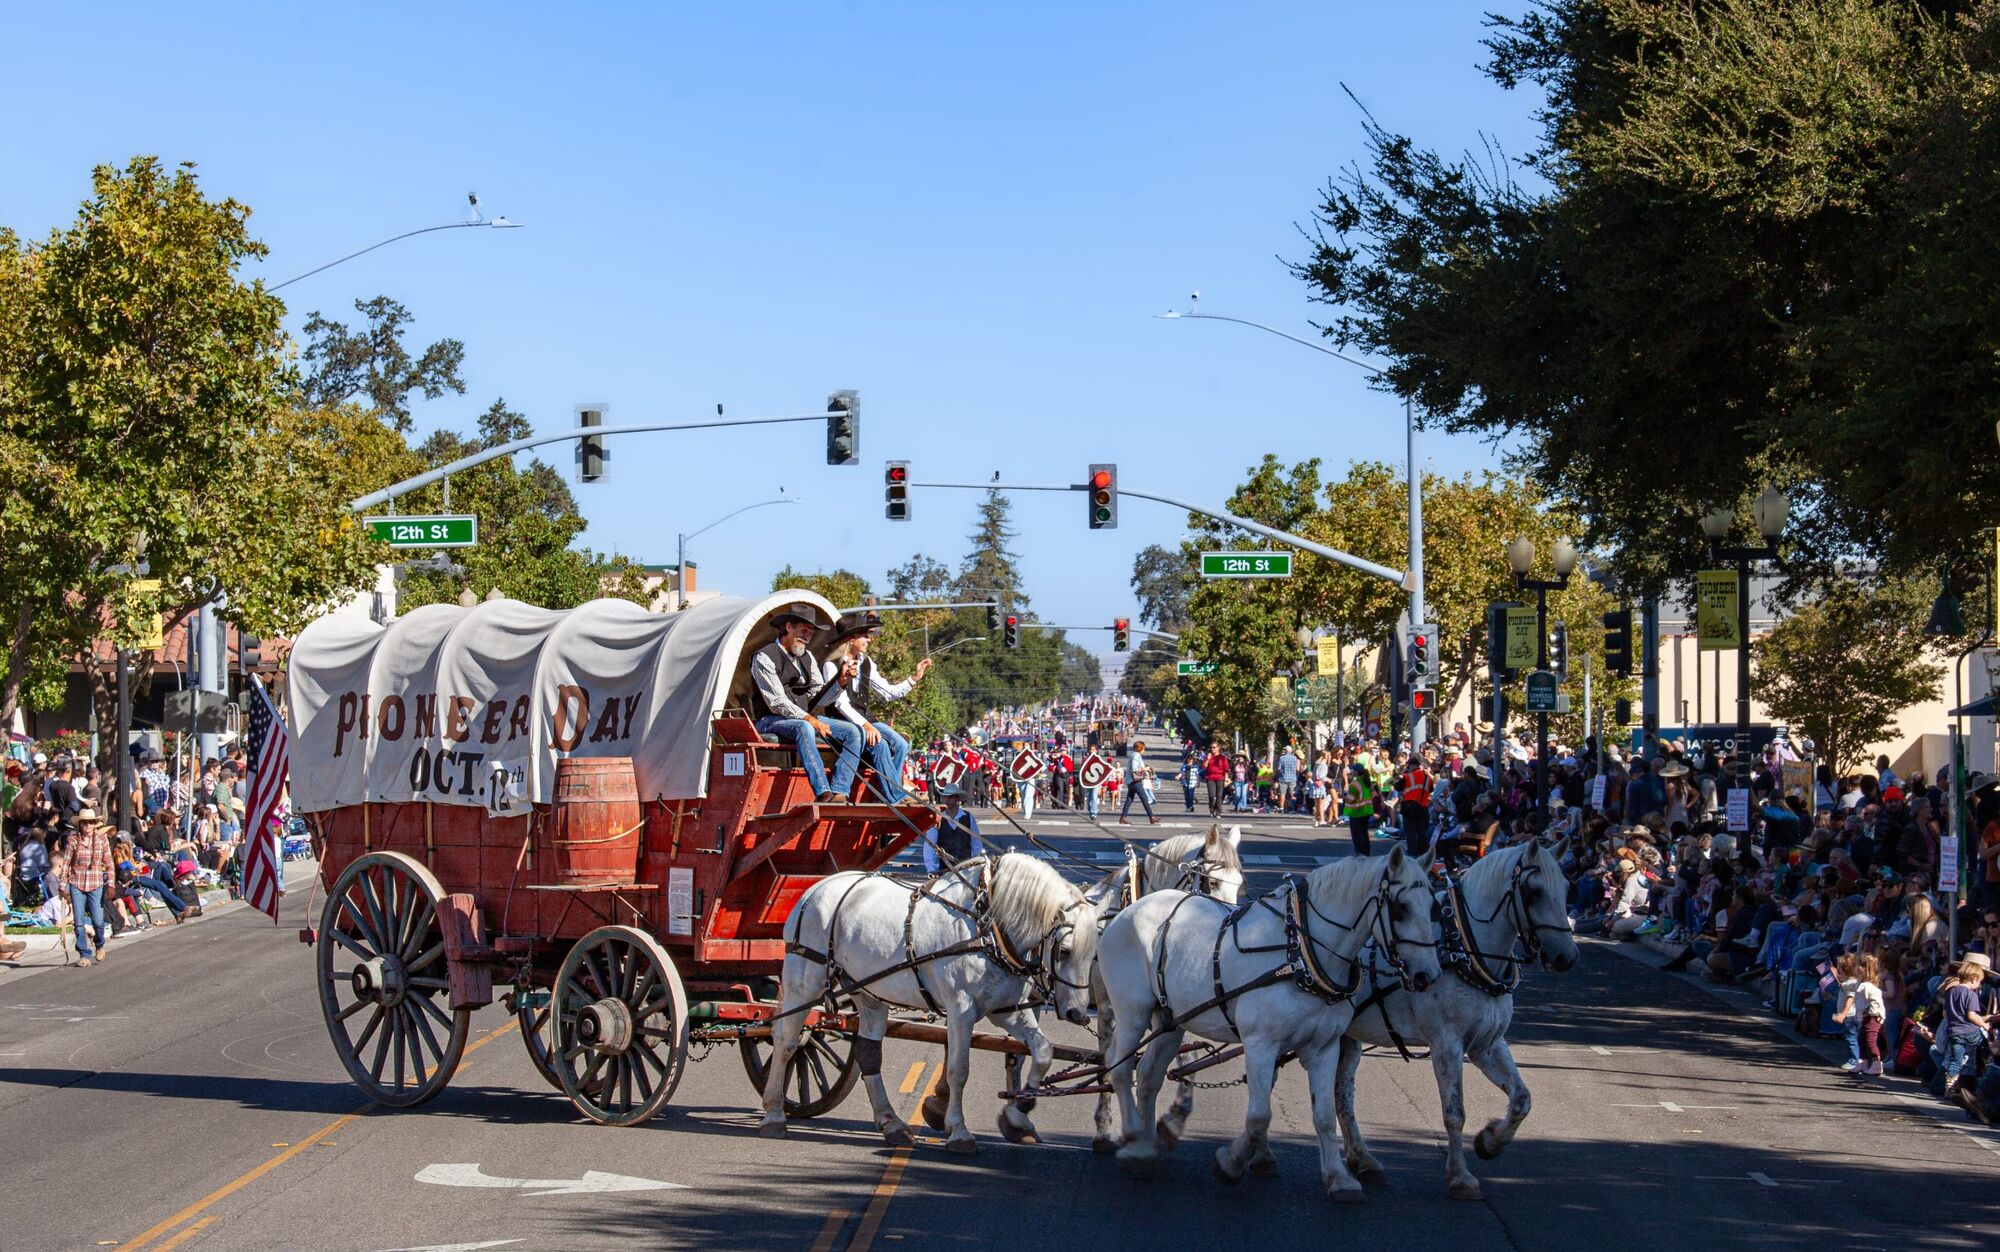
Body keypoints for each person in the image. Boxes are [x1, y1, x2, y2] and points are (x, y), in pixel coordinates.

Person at [749, 606, 865, 806]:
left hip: (803, 717)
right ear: (788, 627)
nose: (808, 636)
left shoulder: (807, 657)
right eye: (804, 631)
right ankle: (822, 792)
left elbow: (819, 696)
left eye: (811, 633)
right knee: (804, 727)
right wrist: (810, 719)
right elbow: (777, 702)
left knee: (854, 732)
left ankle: (840, 790)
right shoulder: (765, 657)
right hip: (770, 720)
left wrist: (840, 682)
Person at [819, 615, 931, 805]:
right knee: (879, 744)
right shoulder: (832, 665)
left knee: (901, 744)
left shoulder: (866, 663)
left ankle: (889, 790)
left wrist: (914, 678)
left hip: (865, 719)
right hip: (843, 722)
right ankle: (895, 796)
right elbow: (840, 704)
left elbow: (888, 692)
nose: (869, 639)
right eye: (864, 635)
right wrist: (866, 726)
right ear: (850, 639)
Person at [64, 806, 114, 967]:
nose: (87, 826)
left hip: (96, 883)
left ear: (95, 824)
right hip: (76, 882)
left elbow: (109, 863)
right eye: (84, 823)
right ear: (80, 824)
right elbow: (66, 864)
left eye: (90, 823)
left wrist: (111, 884)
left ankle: (99, 944)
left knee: (98, 921)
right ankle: (84, 954)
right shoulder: (72, 840)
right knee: (78, 922)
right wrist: (62, 884)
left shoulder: (101, 840)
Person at [922, 785, 983, 874]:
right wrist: (932, 870)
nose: (947, 800)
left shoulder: (968, 817)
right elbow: (930, 846)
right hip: (944, 870)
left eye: (950, 797)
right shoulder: (938, 818)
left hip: (966, 869)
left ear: (957, 799)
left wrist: (976, 868)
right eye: (945, 797)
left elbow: (976, 844)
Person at [1118, 741, 1159, 826]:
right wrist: (1145, 769)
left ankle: (1123, 817)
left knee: (1129, 799)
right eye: (1144, 748)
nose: (1144, 750)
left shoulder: (1133, 755)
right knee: (1144, 798)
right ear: (1140, 748)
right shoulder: (1136, 755)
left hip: (1130, 780)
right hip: (1135, 781)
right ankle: (1151, 817)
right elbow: (1135, 768)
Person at [1201, 741, 1231, 819]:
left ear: (1218, 748)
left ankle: (1218, 812)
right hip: (1210, 778)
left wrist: (1226, 779)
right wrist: (1207, 759)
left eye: (1214, 747)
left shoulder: (1222, 758)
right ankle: (1211, 809)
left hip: (1220, 778)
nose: (1212, 749)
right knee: (1211, 795)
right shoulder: (1208, 756)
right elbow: (1204, 767)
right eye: (1211, 747)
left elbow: (1226, 769)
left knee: (1219, 796)